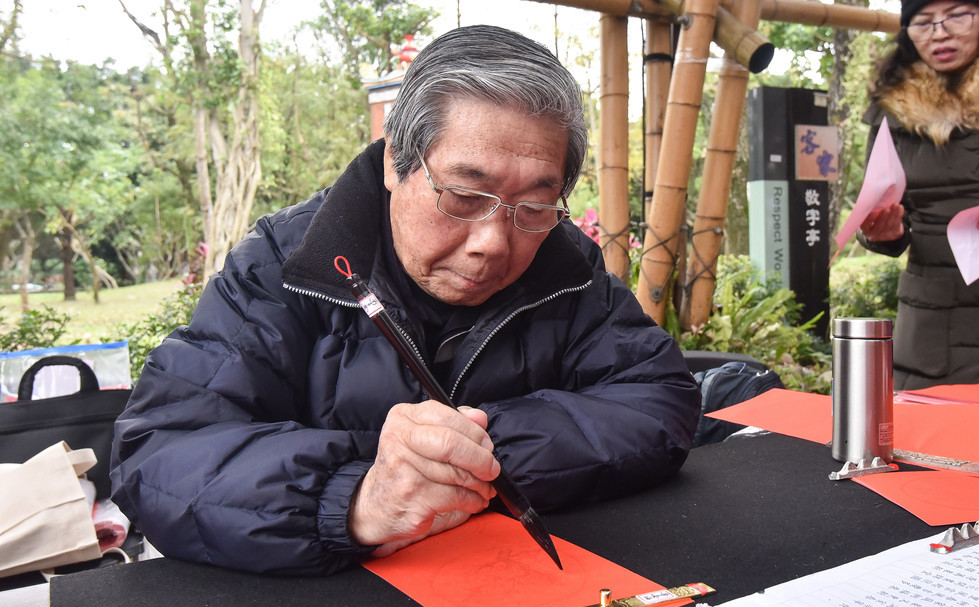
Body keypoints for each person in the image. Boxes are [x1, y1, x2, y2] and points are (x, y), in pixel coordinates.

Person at [110, 25, 700, 576]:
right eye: (465, 195)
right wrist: (356, 496)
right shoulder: (286, 263)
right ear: (395, 161)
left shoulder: (562, 260)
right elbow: (157, 453)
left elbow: (659, 401)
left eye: (533, 206)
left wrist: (471, 452)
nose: (493, 243)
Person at [858, 0, 979, 390]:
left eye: (957, 15)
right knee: (937, 448)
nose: (939, 32)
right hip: (938, 339)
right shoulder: (892, 110)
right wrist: (883, 235)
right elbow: (880, 205)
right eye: (923, 22)